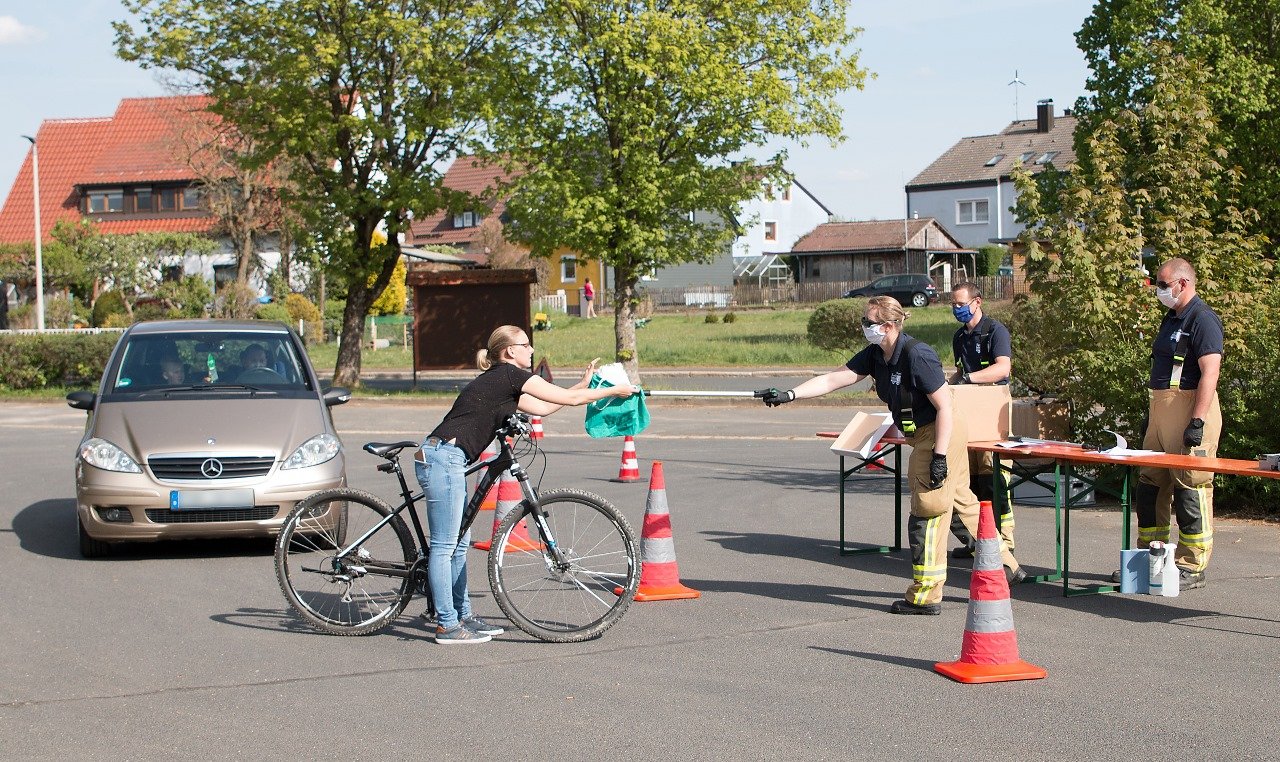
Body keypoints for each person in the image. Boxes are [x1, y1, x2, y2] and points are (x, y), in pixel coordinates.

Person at [760, 295, 1024, 615]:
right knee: (961, 504)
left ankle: (925, 596)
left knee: (928, 509)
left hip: (941, 431)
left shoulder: (917, 355)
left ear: (888, 326)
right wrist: (790, 394)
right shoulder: (876, 354)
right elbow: (835, 378)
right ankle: (1006, 565)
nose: (863, 327)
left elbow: (945, 409)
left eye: (868, 323)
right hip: (924, 434)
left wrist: (939, 456)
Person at [416, 325, 635, 643]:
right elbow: (570, 400)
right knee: (446, 546)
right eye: (526, 345)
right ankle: (447, 625)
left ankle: (463, 616)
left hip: (448, 458)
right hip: (442, 457)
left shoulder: (505, 384)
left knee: (459, 544)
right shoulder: (508, 375)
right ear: (509, 352)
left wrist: (582, 385)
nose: (531, 350)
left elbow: (546, 407)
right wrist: (613, 391)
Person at [1127, 257, 1223, 590]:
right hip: (1162, 411)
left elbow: (1210, 372)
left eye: (1163, 284)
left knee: (1190, 488)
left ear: (1183, 283)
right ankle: (1148, 560)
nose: (1159, 289)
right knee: (1150, 485)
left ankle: (1191, 565)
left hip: (1189, 410)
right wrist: (1152, 416)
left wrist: (1196, 421)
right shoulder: (1171, 318)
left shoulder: (1203, 319)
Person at [946, 281, 1016, 559]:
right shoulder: (959, 337)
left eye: (961, 304)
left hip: (991, 405)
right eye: (953, 304)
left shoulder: (995, 331)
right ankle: (977, 540)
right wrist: (945, 387)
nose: (957, 309)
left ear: (977, 302)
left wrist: (969, 378)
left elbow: (1002, 368)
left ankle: (1004, 542)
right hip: (967, 406)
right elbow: (960, 371)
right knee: (970, 479)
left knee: (992, 478)